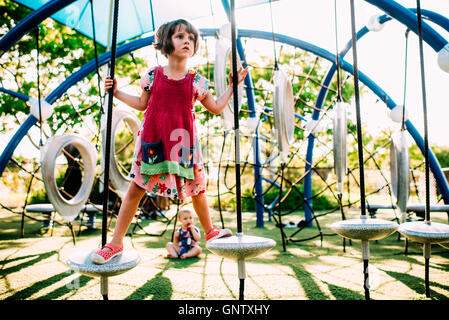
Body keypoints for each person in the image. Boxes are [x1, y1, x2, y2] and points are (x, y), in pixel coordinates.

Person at [91, 19, 249, 264]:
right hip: (154, 142)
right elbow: (142, 104)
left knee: (197, 189)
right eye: (180, 36)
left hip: (183, 145)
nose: (187, 41)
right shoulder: (153, 75)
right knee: (135, 190)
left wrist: (232, 87)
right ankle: (115, 243)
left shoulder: (196, 81)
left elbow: (216, 108)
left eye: (191, 38)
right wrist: (116, 93)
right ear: (166, 43)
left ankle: (210, 232)